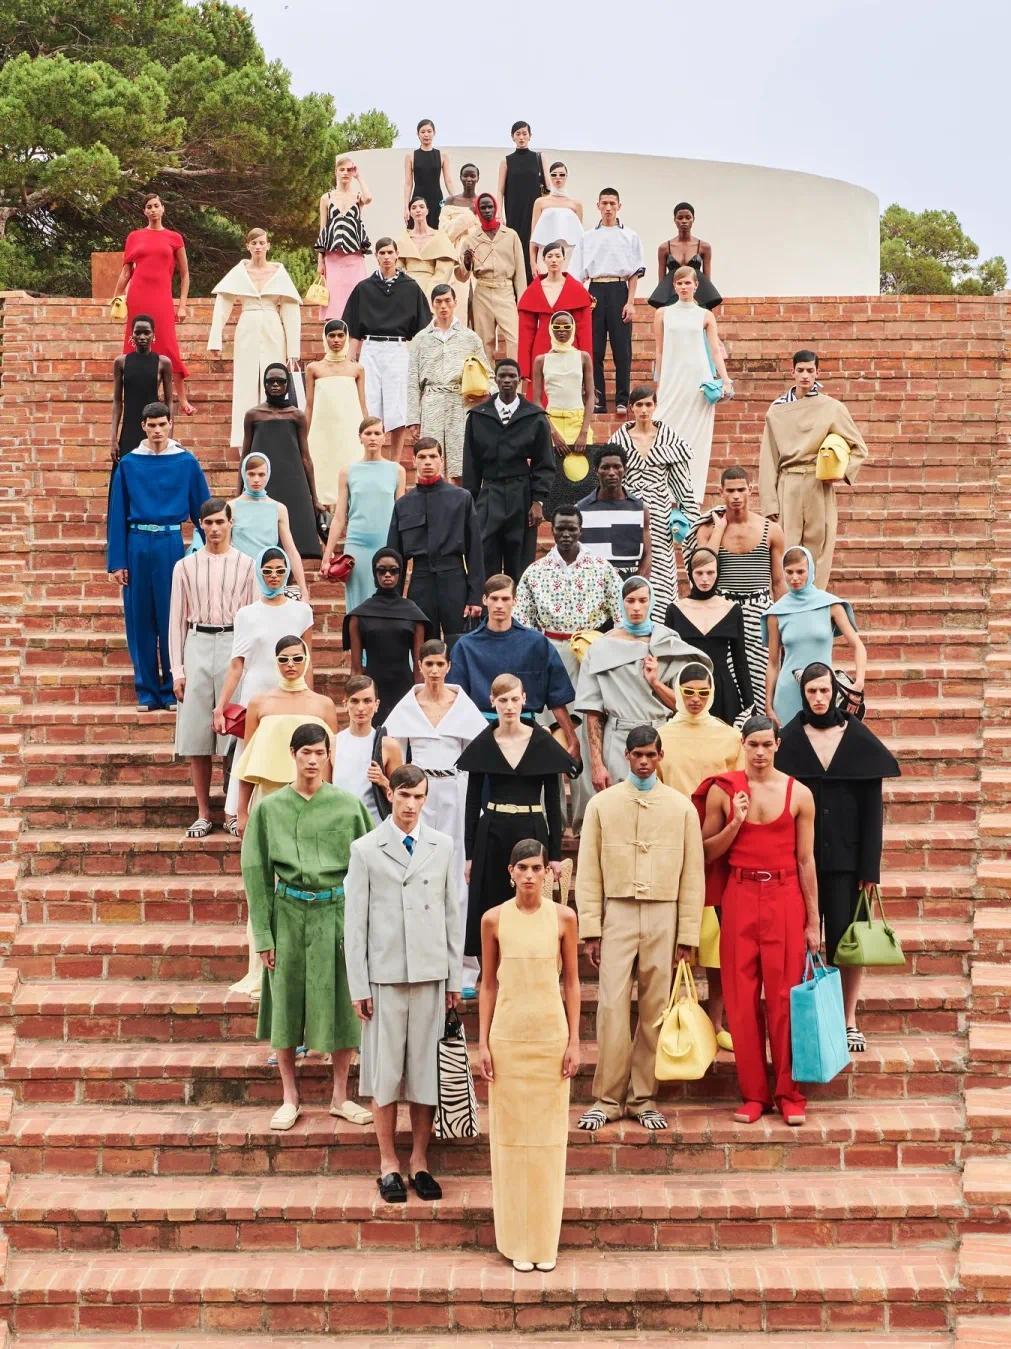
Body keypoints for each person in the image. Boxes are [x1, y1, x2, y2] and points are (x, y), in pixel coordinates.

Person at [241, 721, 375, 1131]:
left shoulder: (347, 806)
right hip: (287, 911)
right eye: (305, 753)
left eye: (319, 752)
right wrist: (264, 934)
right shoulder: (270, 809)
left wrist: (367, 929)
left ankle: (340, 1095)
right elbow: (255, 872)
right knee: (285, 1001)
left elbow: (371, 866)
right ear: (293, 755)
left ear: (329, 755)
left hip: (335, 911)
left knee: (343, 1002)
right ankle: (289, 1096)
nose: (312, 760)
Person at [575, 726, 704, 1131]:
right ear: (626, 756)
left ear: (660, 756)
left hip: (664, 913)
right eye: (637, 755)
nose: (644, 762)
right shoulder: (602, 805)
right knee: (612, 1007)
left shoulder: (682, 808)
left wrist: (687, 935)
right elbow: (588, 870)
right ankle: (607, 1097)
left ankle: (643, 1096)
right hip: (618, 912)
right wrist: (591, 928)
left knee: (655, 1009)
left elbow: (693, 876)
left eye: (651, 754)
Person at [345, 763, 463, 1205]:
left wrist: (453, 976)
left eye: (419, 797)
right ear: (390, 794)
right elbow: (355, 922)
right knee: (385, 1071)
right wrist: (359, 984)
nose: (411, 805)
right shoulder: (366, 849)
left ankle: (420, 1160)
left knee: (426, 1072)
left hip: (430, 972)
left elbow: (452, 913)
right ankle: (388, 1162)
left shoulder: (442, 845)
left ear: (426, 799)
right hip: (386, 975)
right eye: (404, 796)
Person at [699, 716, 820, 1125]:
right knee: (741, 997)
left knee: (785, 998)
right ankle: (754, 1094)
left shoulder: (799, 793)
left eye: (767, 744)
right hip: (740, 894)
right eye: (753, 744)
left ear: (778, 745)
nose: (760, 752)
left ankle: (789, 1093)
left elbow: (806, 860)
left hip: (785, 897)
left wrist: (813, 922)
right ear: (743, 745)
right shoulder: (724, 791)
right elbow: (705, 852)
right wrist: (735, 821)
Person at [775, 662, 900, 1051]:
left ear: (835, 692)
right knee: (801, 942)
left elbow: (872, 809)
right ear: (803, 694)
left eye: (824, 691)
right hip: (800, 862)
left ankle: (848, 1020)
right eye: (811, 691)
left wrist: (870, 868)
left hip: (848, 863)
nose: (818, 698)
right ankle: (807, 1018)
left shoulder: (857, 737)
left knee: (848, 942)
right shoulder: (789, 739)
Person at [479, 838, 580, 1271]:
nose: (529, 875)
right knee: (510, 1144)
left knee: (547, 1144)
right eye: (522, 868)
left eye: (537, 868)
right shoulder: (493, 919)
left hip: (549, 1041)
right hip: (507, 1040)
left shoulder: (564, 919)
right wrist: (482, 1042)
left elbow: (572, 982)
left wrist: (574, 1041)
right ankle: (516, 1243)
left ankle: (542, 1244)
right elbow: (488, 983)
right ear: (510, 873)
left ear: (547, 874)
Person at [229, 637, 338, 997]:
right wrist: (242, 810)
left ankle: (304, 967)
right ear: (275, 663)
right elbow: (248, 758)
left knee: (308, 877)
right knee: (265, 880)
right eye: (283, 659)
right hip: (269, 799)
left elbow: (331, 759)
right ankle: (262, 968)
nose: (290, 665)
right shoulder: (260, 703)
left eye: (296, 658)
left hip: (313, 801)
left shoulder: (323, 704)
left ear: (306, 660)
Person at [385, 640, 487, 991]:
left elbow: (477, 755)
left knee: (458, 873)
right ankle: (419, 959)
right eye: (428, 664)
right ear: (420, 665)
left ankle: (464, 967)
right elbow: (395, 754)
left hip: (456, 793)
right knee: (417, 870)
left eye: (439, 664)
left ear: (448, 666)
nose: (433, 670)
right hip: (418, 795)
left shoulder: (461, 704)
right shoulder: (409, 705)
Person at [514, 506, 623, 829]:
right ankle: (552, 818)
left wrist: (606, 650)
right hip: (548, 652)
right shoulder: (536, 572)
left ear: (581, 530)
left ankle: (587, 817)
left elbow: (620, 616)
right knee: (551, 734)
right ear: (552, 529)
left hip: (589, 653)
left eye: (571, 529)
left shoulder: (601, 568)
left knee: (589, 730)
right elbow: (522, 622)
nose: (565, 534)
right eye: (560, 528)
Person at [459, 674, 576, 958]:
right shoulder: (484, 742)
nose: (509, 706)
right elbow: (472, 802)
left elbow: (553, 800)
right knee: (492, 906)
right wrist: (470, 854)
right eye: (503, 700)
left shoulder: (541, 742)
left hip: (531, 828)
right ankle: (493, 974)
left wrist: (555, 854)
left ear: (524, 699)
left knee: (531, 907)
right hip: (492, 831)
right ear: (492, 702)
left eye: (514, 699)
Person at [662, 664, 744, 1050]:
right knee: (676, 935)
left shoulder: (729, 737)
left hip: (718, 845)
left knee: (716, 939)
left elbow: (740, 788)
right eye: (689, 692)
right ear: (678, 691)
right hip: (674, 842)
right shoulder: (663, 736)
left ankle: (716, 1021)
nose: (695, 700)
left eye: (703, 693)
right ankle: (675, 1015)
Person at [107, 402, 209, 711]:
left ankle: (170, 687)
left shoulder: (186, 462)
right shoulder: (128, 464)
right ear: (143, 426)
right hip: (137, 543)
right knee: (139, 617)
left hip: (170, 542)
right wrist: (118, 561)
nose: (157, 430)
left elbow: (203, 509)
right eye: (151, 425)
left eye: (162, 424)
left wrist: (211, 551)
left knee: (172, 614)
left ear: (170, 424)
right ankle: (146, 689)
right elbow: (117, 513)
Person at [168, 498, 256, 839]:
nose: (215, 528)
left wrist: (249, 662)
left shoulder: (247, 565)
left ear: (231, 523)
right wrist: (177, 670)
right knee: (197, 734)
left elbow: (250, 618)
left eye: (220, 521)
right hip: (197, 641)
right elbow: (176, 620)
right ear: (200, 526)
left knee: (235, 730)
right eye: (209, 523)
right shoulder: (184, 567)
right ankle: (203, 812)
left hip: (234, 644)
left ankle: (233, 811)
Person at [575, 575, 710, 794]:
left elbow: (686, 705)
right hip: (618, 739)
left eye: (642, 600)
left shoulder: (668, 643)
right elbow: (593, 713)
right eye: (630, 601)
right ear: (621, 603)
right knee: (619, 807)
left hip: (662, 737)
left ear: (651, 601)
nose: (636, 607)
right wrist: (597, 764)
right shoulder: (601, 648)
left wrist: (655, 682)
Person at [214, 547, 314, 830]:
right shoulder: (246, 614)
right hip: (256, 690)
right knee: (250, 751)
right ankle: (238, 812)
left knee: (292, 746)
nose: (273, 576)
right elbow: (237, 665)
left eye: (280, 571)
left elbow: (309, 660)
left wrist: (310, 696)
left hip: (293, 688)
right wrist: (221, 706)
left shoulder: (302, 611)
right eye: (267, 571)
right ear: (259, 573)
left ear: (287, 573)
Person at [760, 348, 869, 587]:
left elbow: (859, 447)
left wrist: (839, 473)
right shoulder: (776, 410)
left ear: (818, 372)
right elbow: (768, 457)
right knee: (786, 548)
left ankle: (816, 601)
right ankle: (788, 603)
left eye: (810, 370)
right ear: (792, 372)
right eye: (800, 370)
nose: (805, 376)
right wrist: (769, 503)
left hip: (818, 482)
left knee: (819, 547)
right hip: (788, 483)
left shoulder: (831, 408)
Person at [689, 465, 786, 716]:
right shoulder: (708, 529)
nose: (735, 496)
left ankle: (760, 729)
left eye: (741, 489)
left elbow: (778, 582)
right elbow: (703, 565)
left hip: (760, 610)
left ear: (750, 490)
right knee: (725, 679)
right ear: (720, 491)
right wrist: (720, 529)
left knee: (761, 678)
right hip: (723, 610)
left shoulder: (771, 529)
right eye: (730, 490)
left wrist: (784, 620)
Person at [450, 574, 580, 760]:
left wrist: (572, 739)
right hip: (481, 733)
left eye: (505, 599)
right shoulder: (466, 647)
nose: (499, 605)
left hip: (527, 733)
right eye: (494, 598)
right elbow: (455, 701)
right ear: (485, 600)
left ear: (515, 601)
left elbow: (557, 698)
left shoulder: (536, 643)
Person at [207, 227, 302, 449]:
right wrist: (215, 340)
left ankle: (274, 437)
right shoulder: (239, 272)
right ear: (247, 246)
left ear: (268, 245)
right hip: (247, 327)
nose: (258, 247)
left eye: (261, 243)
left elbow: (291, 312)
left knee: (275, 379)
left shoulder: (278, 273)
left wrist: (293, 351)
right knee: (245, 382)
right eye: (254, 243)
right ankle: (245, 442)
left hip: (273, 327)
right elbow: (222, 306)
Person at [606, 387, 697, 617]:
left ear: (655, 406)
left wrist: (691, 520)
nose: (644, 410)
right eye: (639, 405)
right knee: (625, 569)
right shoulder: (618, 440)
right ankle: (626, 621)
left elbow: (683, 485)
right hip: (626, 515)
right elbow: (607, 483)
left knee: (662, 572)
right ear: (631, 408)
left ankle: (661, 624)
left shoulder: (669, 439)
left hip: (659, 515)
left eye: (648, 404)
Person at [462, 358, 555, 581]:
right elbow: (471, 465)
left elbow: (544, 462)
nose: (507, 380)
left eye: (512, 376)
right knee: (486, 557)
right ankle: (488, 604)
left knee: (520, 561)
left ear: (519, 380)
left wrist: (538, 501)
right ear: (495, 379)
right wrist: (471, 502)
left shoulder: (534, 417)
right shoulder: (479, 417)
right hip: (489, 492)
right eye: (502, 376)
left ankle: (519, 604)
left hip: (521, 494)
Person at [387, 435, 485, 644]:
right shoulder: (404, 504)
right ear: (414, 461)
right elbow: (394, 557)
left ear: (441, 460)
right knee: (423, 645)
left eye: (433, 456)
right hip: (420, 580)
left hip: (454, 579)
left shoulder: (461, 498)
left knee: (459, 644)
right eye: (422, 457)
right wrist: (393, 600)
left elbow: (475, 550)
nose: (428, 462)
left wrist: (475, 596)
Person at [344, 238, 432, 464]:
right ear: (376, 256)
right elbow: (354, 330)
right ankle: (373, 459)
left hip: (398, 348)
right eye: (382, 252)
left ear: (397, 254)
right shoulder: (364, 288)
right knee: (370, 404)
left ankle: (394, 464)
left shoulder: (410, 287)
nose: (386, 257)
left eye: (390, 252)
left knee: (397, 408)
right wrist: (349, 359)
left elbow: (423, 330)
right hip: (370, 349)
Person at [654, 266, 733, 505]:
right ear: (674, 286)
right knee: (663, 430)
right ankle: (664, 494)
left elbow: (715, 350)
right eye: (679, 283)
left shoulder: (705, 315)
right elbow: (660, 351)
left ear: (696, 285)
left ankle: (691, 496)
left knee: (697, 439)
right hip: (672, 379)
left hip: (698, 383)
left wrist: (725, 379)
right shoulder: (663, 314)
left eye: (688, 283)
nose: (683, 287)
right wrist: (659, 382)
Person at [110, 193, 193, 415]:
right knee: (135, 344)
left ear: (163, 208)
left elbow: (185, 274)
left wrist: (182, 305)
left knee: (168, 345)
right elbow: (126, 272)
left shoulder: (174, 238)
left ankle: (182, 398)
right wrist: (117, 297)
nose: (153, 209)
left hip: (162, 298)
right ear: (144, 211)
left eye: (156, 205)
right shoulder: (134, 236)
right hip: (138, 297)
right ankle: (134, 398)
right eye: (149, 206)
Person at [764, 545, 865, 727]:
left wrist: (858, 683)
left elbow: (858, 646)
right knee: (790, 744)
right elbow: (772, 663)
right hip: (788, 693)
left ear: (810, 570)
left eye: (800, 571)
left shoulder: (830, 605)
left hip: (823, 691)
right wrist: (768, 706)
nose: (794, 578)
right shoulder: (776, 612)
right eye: (789, 572)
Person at [568, 188, 645, 415]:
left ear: (619, 206)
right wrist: (583, 299)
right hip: (595, 291)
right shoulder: (587, 237)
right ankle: (598, 399)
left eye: (612, 203)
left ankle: (622, 399)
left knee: (622, 349)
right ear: (598, 206)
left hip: (620, 290)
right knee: (595, 349)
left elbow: (634, 272)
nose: (608, 207)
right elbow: (576, 274)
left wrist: (630, 302)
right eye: (604, 203)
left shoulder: (630, 236)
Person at [405, 285, 492, 480]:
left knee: (460, 462)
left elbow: (487, 373)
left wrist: (488, 396)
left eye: (447, 301)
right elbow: (412, 380)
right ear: (432, 304)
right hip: (431, 402)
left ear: (455, 302)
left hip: (460, 403)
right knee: (430, 458)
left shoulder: (470, 337)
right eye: (438, 302)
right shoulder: (420, 339)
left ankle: (461, 498)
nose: (443, 306)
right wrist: (413, 418)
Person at [321, 416, 405, 612]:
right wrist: (327, 555)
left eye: (377, 433)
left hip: (387, 544)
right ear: (360, 437)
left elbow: (401, 515)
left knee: (387, 602)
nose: (372, 437)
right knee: (357, 605)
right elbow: (339, 517)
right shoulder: (347, 472)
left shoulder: (396, 471)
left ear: (384, 437)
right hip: (357, 545)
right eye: (368, 433)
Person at [241, 365, 323, 561]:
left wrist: (314, 498)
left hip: (294, 486)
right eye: (271, 381)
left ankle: (292, 582)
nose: (275, 385)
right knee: (260, 545)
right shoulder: (253, 415)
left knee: (294, 546)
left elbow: (306, 457)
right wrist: (239, 493)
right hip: (262, 485)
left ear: (288, 384)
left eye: (281, 381)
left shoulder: (297, 415)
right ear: (264, 384)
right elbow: (245, 458)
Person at [665, 548, 753, 725]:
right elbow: (668, 660)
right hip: (688, 691)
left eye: (710, 572)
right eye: (699, 573)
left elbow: (740, 662)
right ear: (691, 573)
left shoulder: (732, 609)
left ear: (718, 573)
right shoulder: (675, 610)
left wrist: (750, 707)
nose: (705, 579)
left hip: (724, 692)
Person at [342, 549, 429, 723]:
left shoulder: (413, 613)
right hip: (371, 690)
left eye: (393, 570)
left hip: (404, 688)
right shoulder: (359, 615)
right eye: (381, 570)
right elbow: (356, 669)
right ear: (375, 573)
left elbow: (419, 668)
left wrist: (420, 698)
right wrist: (357, 700)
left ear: (400, 573)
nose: (387, 575)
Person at [531, 310, 596, 514]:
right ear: (550, 329)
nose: (562, 331)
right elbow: (536, 400)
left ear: (573, 329)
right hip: (552, 422)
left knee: (583, 477)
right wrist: (552, 432)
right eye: (557, 327)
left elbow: (590, 396)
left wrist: (584, 431)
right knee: (555, 481)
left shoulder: (583, 357)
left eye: (567, 327)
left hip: (578, 421)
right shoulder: (541, 360)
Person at [226, 454, 310, 599]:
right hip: (238, 579)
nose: (256, 479)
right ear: (243, 474)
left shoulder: (278, 508)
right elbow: (225, 550)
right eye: (251, 474)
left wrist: (303, 589)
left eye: (261, 474)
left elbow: (291, 550)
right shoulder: (231, 507)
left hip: (269, 578)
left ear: (268, 474)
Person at [304, 319, 367, 508]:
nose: (336, 340)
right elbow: (309, 405)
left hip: (350, 430)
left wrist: (367, 430)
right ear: (325, 338)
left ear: (346, 337)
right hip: (322, 431)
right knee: (323, 473)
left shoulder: (356, 369)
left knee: (352, 472)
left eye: (340, 335)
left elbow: (362, 403)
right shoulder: (314, 369)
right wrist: (303, 435)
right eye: (331, 336)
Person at [455, 194, 525, 362]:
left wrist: (522, 301)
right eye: (483, 208)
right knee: (484, 341)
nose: (487, 210)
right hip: (483, 292)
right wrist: (466, 263)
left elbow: (520, 271)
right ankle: (488, 378)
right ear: (478, 211)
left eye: (490, 207)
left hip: (505, 291)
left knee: (515, 339)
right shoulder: (471, 239)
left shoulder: (511, 235)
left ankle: (515, 376)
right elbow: (462, 276)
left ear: (495, 208)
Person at [517, 241, 593, 394]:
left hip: (570, 347)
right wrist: (524, 368)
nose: (554, 260)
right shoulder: (534, 289)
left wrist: (586, 365)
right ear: (543, 259)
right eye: (550, 256)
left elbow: (584, 331)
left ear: (564, 259)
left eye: (558, 256)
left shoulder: (576, 289)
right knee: (541, 394)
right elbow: (526, 332)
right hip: (542, 345)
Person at [331, 675, 405, 823]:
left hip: (375, 825)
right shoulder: (333, 743)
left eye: (367, 701)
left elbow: (402, 796)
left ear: (376, 705)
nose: (361, 708)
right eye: (354, 701)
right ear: (345, 704)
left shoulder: (389, 746)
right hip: (340, 824)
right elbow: (323, 793)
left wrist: (383, 781)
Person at [577, 444, 651, 582]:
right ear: (596, 471)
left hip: (628, 587)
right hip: (592, 586)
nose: (611, 472)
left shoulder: (640, 509)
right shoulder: (580, 510)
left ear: (625, 469)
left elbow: (646, 555)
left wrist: (637, 585)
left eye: (617, 467)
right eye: (605, 467)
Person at [315, 155, 373, 323]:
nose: (346, 173)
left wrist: (359, 176)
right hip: (333, 256)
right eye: (342, 169)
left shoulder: (358, 197)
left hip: (354, 256)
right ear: (336, 172)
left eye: (349, 170)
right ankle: (335, 335)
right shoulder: (326, 198)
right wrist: (320, 260)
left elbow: (368, 198)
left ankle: (355, 338)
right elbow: (323, 229)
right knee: (334, 301)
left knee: (357, 297)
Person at [110, 315, 172, 466]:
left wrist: (168, 435)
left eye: (146, 332)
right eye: (138, 332)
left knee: (153, 471)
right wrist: (113, 439)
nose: (142, 337)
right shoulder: (121, 362)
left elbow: (169, 401)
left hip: (153, 427)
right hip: (129, 428)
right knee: (126, 471)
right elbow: (117, 402)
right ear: (132, 335)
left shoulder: (163, 363)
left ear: (153, 334)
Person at [498, 120, 550, 284]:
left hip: (534, 211)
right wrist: (499, 215)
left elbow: (549, 187)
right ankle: (518, 288)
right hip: (514, 211)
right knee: (516, 247)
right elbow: (500, 190)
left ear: (530, 136)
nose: (521, 137)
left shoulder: (539, 158)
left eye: (524, 134)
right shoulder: (506, 161)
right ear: (512, 137)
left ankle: (533, 285)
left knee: (534, 245)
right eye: (518, 134)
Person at [648, 202, 722, 311]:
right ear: (674, 220)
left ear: (693, 219)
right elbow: (662, 282)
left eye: (688, 217)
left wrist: (705, 303)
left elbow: (707, 280)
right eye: (680, 218)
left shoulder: (704, 247)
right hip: (672, 297)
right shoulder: (664, 248)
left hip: (696, 297)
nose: (684, 221)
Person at [439, 162, 483, 315]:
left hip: (480, 258)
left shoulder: (483, 202)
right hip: (456, 258)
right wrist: (469, 214)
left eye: (472, 176)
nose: (469, 179)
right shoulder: (450, 201)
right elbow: (445, 234)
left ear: (478, 178)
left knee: (479, 308)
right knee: (459, 305)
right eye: (466, 176)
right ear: (460, 178)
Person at [397, 197, 458, 301]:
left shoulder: (439, 237)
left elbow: (443, 272)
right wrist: (404, 288)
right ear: (410, 212)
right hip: (406, 289)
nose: (418, 210)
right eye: (413, 207)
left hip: (431, 289)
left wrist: (430, 294)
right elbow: (397, 267)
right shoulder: (404, 238)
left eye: (421, 207)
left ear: (427, 211)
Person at [528, 161, 584, 274]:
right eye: (554, 175)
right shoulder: (540, 202)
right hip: (545, 253)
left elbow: (579, 239)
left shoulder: (576, 204)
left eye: (562, 174)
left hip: (569, 254)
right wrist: (532, 263)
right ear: (549, 176)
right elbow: (533, 237)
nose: (558, 178)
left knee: (568, 284)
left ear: (566, 176)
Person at [402, 119, 455, 228]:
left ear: (434, 133)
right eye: (423, 132)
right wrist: (406, 207)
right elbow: (408, 184)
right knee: (415, 231)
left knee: (437, 231)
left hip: (436, 199)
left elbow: (448, 180)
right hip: (417, 200)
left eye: (429, 131)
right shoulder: (410, 156)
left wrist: (455, 200)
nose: (426, 134)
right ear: (418, 134)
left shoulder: (442, 156)